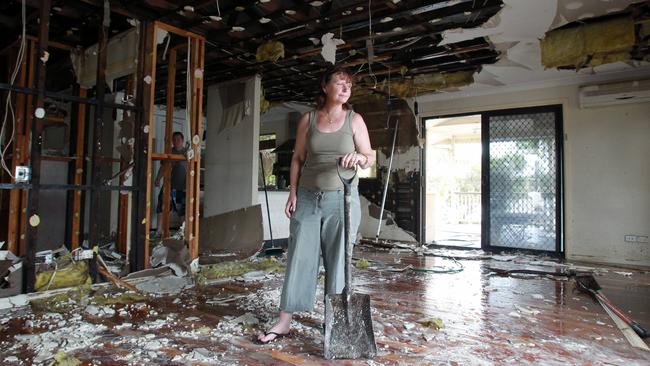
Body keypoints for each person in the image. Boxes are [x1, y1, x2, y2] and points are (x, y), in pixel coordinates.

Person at [258, 66, 374, 343]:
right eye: (340, 83)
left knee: (338, 263)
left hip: (341, 200)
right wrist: (293, 192)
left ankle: (334, 320)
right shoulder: (308, 119)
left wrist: (358, 157)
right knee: (300, 256)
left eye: (349, 85)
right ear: (325, 87)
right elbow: (298, 158)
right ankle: (284, 321)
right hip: (309, 197)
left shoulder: (354, 120)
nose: (346, 89)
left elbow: (369, 156)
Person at [154, 131, 187, 235]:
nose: (176, 141)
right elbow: (163, 167)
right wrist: (158, 178)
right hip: (168, 186)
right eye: (174, 139)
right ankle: (159, 230)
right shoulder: (169, 152)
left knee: (181, 209)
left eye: (178, 139)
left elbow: (192, 170)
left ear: (182, 141)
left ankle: (182, 231)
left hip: (181, 187)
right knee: (162, 206)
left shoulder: (187, 153)